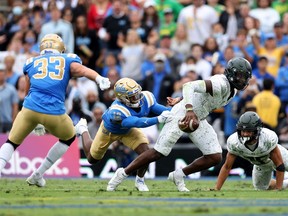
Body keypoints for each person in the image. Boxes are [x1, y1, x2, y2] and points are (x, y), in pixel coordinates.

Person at [107, 57, 252, 192]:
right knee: (159, 152)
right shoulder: (219, 84)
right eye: (240, 76)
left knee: (215, 156)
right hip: (183, 113)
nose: (243, 79)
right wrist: (187, 107)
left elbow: (199, 94)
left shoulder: (232, 90)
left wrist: (181, 99)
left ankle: (178, 175)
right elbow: (189, 85)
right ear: (231, 74)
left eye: (245, 76)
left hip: (197, 117)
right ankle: (122, 173)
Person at [0, 34, 111, 184]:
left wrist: (34, 120)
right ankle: (38, 174)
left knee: (11, 142)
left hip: (30, 109)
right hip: (54, 111)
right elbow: (82, 70)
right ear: (60, 47)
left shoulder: (31, 62)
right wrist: (98, 78)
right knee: (69, 137)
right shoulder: (67, 59)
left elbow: (27, 91)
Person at [75, 77, 172, 192]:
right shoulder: (117, 111)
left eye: (138, 93)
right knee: (92, 159)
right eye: (133, 96)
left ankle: (140, 181)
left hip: (127, 130)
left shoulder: (147, 97)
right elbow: (136, 122)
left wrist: (175, 111)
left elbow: (161, 109)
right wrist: (158, 119)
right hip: (109, 131)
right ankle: (83, 130)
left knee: (146, 153)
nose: (138, 98)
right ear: (122, 98)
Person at [215, 111, 288, 191]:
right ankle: (286, 184)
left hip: (279, 157)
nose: (245, 134)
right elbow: (227, 167)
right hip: (261, 165)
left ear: (258, 130)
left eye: (249, 131)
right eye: (243, 131)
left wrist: (278, 189)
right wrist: (217, 188)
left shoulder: (267, 138)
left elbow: (279, 165)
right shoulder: (234, 142)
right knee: (261, 188)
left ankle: (282, 185)